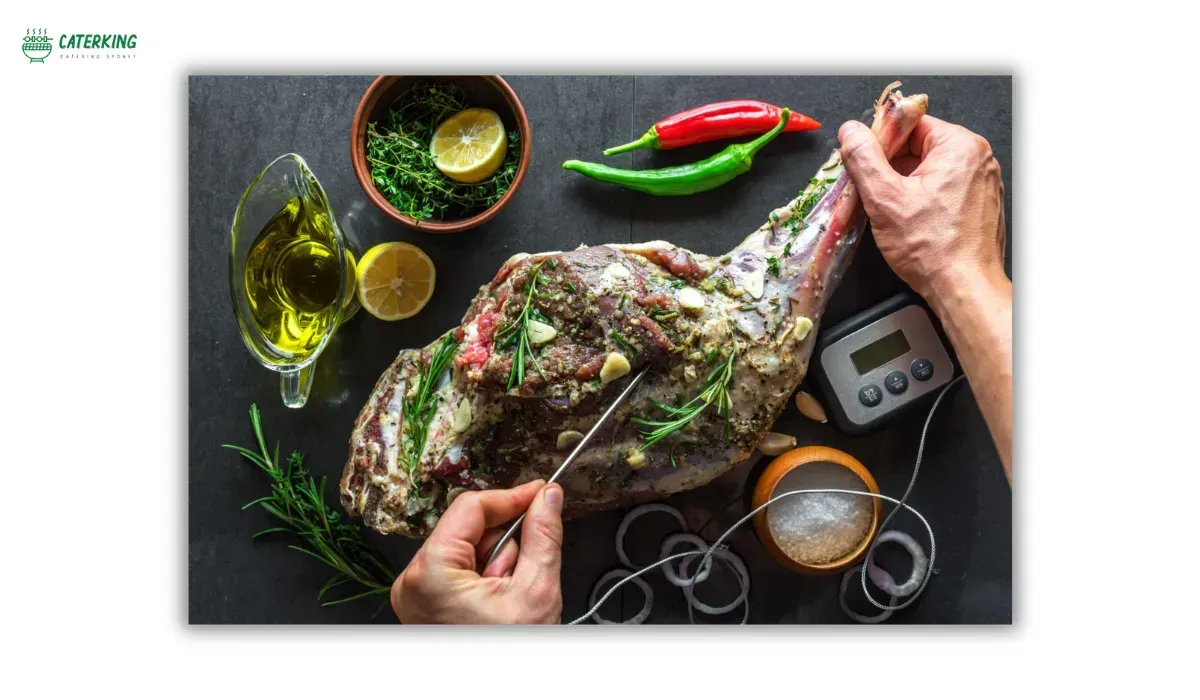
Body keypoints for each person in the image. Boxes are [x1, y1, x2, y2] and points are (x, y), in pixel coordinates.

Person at [390, 114, 1013, 625]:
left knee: (738, 348)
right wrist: (961, 270)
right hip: (446, 462)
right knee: (741, 357)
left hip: (489, 457)